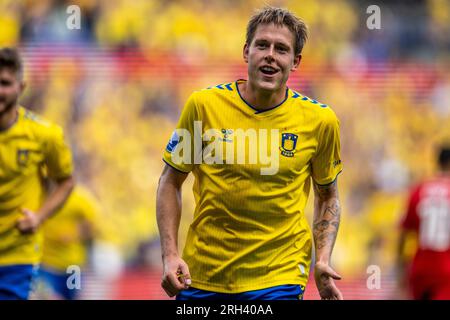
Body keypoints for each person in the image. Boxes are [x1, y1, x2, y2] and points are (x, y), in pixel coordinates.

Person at [156, 6, 343, 300]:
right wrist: (169, 254)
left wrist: (322, 259)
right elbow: (170, 181)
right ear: (246, 52)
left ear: (295, 61)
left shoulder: (320, 121)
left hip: (280, 277)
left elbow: (327, 195)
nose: (270, 55)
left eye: (281, 49)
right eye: (262, 45)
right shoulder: (203, 106)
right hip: (203, 276)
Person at [0, 47, 75, 300]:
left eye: (5, 83)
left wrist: (39, 217)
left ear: (21, 86)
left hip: (16, 255)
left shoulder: (44, 135)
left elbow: (66, 181)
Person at [397, 146, 450, 300]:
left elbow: (403, 234)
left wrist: (400, 269)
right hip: (446, 270)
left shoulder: (418, 190)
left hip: (420, 269)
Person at [36, 185, 98, 300]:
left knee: (73, 297)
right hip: (47, 265)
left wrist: (76, 233)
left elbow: (92, 226)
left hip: (73, 267)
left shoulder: (80, 199)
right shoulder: (41, 197)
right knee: (51, 297)